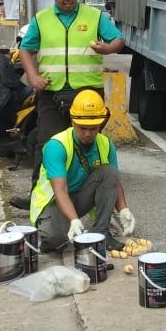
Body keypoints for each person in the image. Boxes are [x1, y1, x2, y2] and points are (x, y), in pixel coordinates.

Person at [9, 0, 125, 209]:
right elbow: (25, 50)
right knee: (47, 145)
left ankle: (95, 198)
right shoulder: (41, 20)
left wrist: (107, 49)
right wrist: (34, 77)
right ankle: (37, 198)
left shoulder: (94, 16)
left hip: (87, 96)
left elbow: (118, 40)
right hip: (51, 94)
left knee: (91, 144)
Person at [29, 90, 134, 252]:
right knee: (55, 242)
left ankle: (101, 232)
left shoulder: (105, 144)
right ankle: (61, 225)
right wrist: (74, 220)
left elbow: (114, 180)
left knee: (109, 171)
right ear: (72, 122)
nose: (88, 134)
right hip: (54, 203)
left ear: (100, 125)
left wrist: (123, 209)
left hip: (79, 198)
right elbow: (60, 190)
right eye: (83, 128)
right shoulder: (57, 146)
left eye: (93, 129)